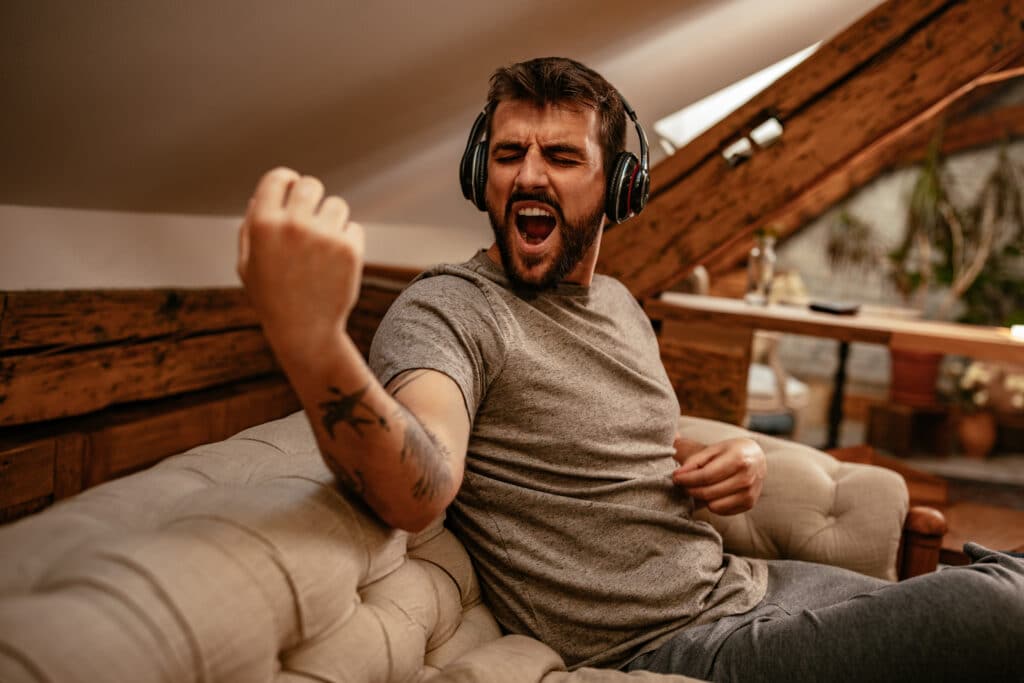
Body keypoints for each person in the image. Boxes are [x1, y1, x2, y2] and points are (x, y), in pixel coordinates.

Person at [237, 57, 1024, 682]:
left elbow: (629, 436)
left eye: (561, 156)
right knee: (999, 611)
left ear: (620, 185)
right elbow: (422, 483)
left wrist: (740, 460)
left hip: (754, 583)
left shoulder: (616, 303)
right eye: (509, 154)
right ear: (482, 175)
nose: (529, 176)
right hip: (681, 643)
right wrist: (313, 340)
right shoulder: (450, 311)